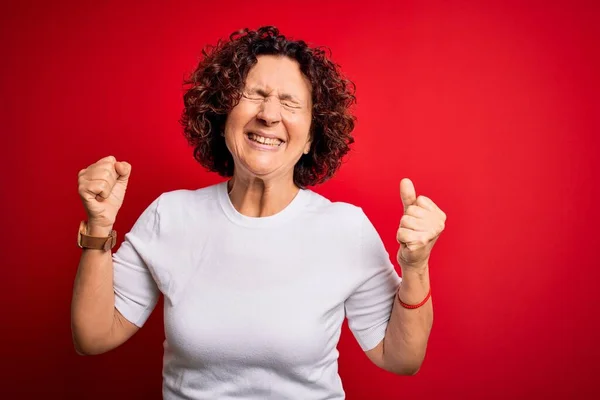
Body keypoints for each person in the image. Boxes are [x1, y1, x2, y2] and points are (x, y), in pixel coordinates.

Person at [71, 26, 447, 399]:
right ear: (222, 116)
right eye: (254, 94)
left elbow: (401, 359)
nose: (269, 114)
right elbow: (93, 336)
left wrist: (416, 267)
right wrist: (99, 227)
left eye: (289, 102)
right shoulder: (170, 215)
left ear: (311, 138)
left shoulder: (345, 229)